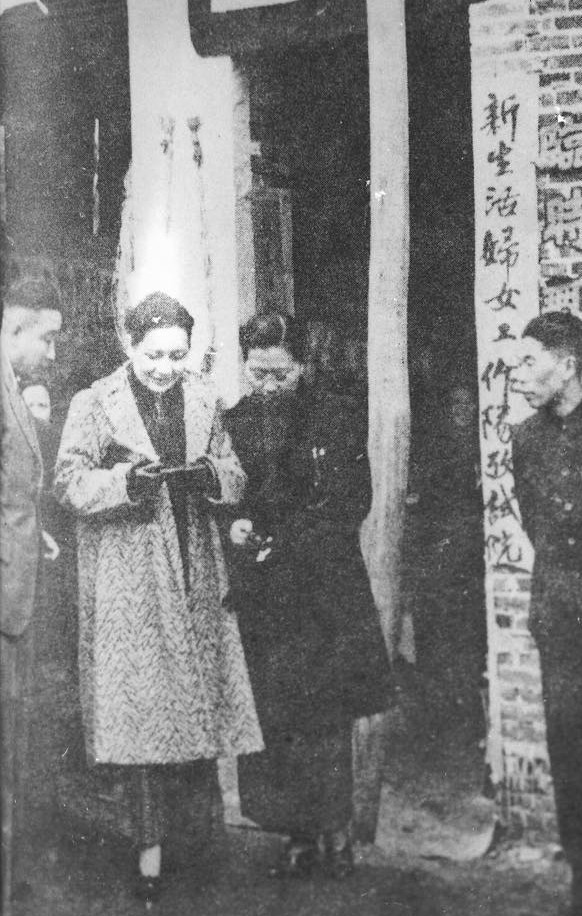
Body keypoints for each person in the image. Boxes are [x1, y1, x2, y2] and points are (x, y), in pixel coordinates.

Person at [53, 292, 263, 902]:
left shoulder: (203, 399)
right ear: (129, 346)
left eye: (176, 353)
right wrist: (123, 482)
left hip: (194, 568)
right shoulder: (94, 403)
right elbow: (68, 483)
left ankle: (199, 850)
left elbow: (235, 471)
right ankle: (145, 858)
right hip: (130, 579)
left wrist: (214, 478)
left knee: (195, 711)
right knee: (143, 721)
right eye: (153, 355)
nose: (165, 367)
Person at [223, 313, 391, 878]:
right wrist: (238, 526)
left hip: (322, 588)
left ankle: (335, 828)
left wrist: (288, 543)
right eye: (258, 373)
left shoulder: (334, 415)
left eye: (281, 373)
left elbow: (351, 499)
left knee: (324, 714)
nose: (268, 386)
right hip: (264, 594)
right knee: (274, 714)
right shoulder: (235, 421)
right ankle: (294, 829)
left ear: (303, 365)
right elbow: (228, 497)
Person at [511, 310, 582, 916]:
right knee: (569, 746)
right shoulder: (527, 439)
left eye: (531, 361)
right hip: (561, 618)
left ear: (568, 365)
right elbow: (536, 524)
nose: (518, 372)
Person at [1, 277, 63, 912]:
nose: (51, 353)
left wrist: (31, 532)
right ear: (13, 330)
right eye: (44, 338)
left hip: (14, 590)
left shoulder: (13, 390)